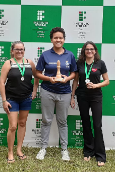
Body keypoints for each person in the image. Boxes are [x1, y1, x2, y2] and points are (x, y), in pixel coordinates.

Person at [35, 27, 77, 161]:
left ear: (64, 39)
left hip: (64, 92)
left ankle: (64, 150)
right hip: (48, 91)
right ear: (51, 39)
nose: (58, 40)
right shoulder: (45, 55)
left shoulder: (69, 55)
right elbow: (37, 73)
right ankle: (43, 148)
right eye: (55, 38)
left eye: (61, 38)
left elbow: (74, 73)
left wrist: (67, 79)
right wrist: (49, 79)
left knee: (62, 121)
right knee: (46, 120)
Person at [70, 41, 109, 167]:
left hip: (96, 96)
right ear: (84, 51)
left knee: (97, 125)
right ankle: (88, 151)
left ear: (95, 51)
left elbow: (107, 81)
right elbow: (76, 80)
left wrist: (96, 85)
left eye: (91, 49)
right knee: (86, 123)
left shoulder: (100, 63)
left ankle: (100, 155)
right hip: (82, 96)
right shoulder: (79, 63)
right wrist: (72, 96)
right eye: (87, 49)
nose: (89, 51)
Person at [0, 41, 39, 163]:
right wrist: (4, 100)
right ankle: (10, 152)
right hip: (12, 99)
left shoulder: (29, 63)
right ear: (12, 51)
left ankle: (19, 150)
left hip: (26, 98)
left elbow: (36, 76)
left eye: (21, 49)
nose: (19, 51)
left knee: (22, 123)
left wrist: (34, 90)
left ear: (24, 50)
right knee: (13, 126)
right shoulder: (8, 63)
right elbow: (1, 82)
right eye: (17, 49)